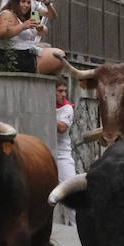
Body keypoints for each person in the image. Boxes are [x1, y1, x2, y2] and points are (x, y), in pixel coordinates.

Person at [0, 0, 64, 75]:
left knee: (60, 57)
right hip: (15, 56)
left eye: (28, 2)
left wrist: (47, 3)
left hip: (27, 53)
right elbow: (0, 33)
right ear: (15, 2)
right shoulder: (8, 14)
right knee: (59, 56)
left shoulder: (31, 13)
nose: (26, 5)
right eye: (23, 2)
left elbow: (53, 17)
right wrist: (23, 26)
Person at [53, 80, 75, 226]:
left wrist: (44, 112)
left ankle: (78, 230)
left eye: (64, 91)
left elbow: (61, 128)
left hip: (62, 156)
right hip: (45, 153)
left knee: (72, 194)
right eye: (59, 91)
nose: (63, 94)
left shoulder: (67, 108)